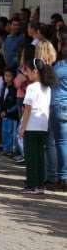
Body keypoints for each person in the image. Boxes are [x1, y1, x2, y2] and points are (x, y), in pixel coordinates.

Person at [19, 58, 55, 194]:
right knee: (40, 156)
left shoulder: (31, 87)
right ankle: (40, 185)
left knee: (31, 157)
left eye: (27, 71)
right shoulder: (48, 87)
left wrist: (22, 128)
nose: (26, 74)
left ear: (34, 71)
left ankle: (31, 184)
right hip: (43, 125)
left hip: (32, 126)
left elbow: (27, 110)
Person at [51, 31, 67, 191]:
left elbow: (48, 81)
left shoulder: (60, 67)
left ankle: (63, 177)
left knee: (61, 143)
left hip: (60, 105)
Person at [0, 67, 19, 157]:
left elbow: (15, 104)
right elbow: (2, 101)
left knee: (11, 132)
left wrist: (7, 112)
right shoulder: (4, 87)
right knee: (4, 132)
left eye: (9, 76)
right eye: (5, 75)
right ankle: (6, 148)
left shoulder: (14, 89)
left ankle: (11, 149)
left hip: (11, 115)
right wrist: (1, 110)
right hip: (4, 114)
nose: (6, 78)